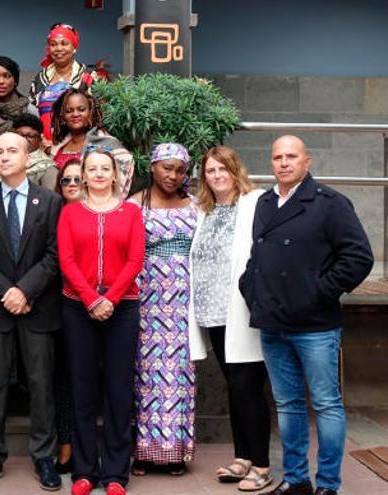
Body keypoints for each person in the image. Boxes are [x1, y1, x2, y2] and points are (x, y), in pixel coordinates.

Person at [239, 136, 373, 495]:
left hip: (315, 325)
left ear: (307, 161)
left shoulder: (329, 203)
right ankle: (296, 479)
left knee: (327, 404)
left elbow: (359, 258)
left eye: (291, 157)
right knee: (287, 404)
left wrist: (318, 291)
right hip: (273, 323)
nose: (283, 163)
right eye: (277, 157)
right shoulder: (266, 202)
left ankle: (328, 483)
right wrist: (250, 288)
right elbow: (258, 256)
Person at [0, 132, 63, 491]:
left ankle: (44, 457)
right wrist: (6, 291)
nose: (5, 157)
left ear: (28, 155)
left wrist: (24, 290)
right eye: (0, 151)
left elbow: (54, 256)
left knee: (41, 385)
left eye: (13, 151)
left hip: (37, 307)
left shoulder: (50, 202)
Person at [58, 148, 145, 495]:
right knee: (82, 387)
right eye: (90, 169)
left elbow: (136, 259)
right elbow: (66, 260)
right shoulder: (69, 213)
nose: (96, 174)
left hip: (122, 307)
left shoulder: (131, 213)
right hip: (77, 307)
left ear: (115, 175)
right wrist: (91, 299)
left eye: (103, 169)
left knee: (119, 388)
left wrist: (109, 298)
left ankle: (114, 474)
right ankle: (84, 471)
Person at [187, 146, 272, 492]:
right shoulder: (204, 210)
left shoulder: (254, 204)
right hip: (213, 313)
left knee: (248, 387)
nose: (217, 175)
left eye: (223, 168)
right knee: (234, 387)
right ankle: (243, 457)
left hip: (244, 312)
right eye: (210, 171)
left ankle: (262, 465)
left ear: (235, 170)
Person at [128, 143, 197, 476]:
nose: (173, 175)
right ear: (153, 166)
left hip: (185, 301)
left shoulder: (198, 205)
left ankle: (175, 453)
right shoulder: (133, 204)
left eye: (179, 170)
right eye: (167, 168)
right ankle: (143, 451)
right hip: (146, 299)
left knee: (180, 374)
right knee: (145, 374)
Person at [52, 157, 83, 474]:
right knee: (62, 381)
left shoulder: (101, 212)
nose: (72, 185)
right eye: (66, 180)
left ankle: (86, 446)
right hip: (58, 308)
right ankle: (64, 445)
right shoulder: (51, 213)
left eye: (78, 179)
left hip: (96, 307)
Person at [29, 23, 100, 142]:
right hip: (44, 145)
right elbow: (32, 115)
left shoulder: (88, 77)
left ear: (74, 47)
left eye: (64, 43)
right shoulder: (39, 79)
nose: (58, 49)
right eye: (53, 44)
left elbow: (98, 115)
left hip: (79, 144)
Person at [50, 88, 103, 169]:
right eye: (69, 111)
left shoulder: (103, 142)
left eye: (81, 109)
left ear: (90, 112)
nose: (75, 114)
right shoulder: (56, 147)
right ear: (62, 116)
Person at [14, 113, 59, 190]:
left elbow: (50, 200)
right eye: (20, 136)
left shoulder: (48, 169)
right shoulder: (6, 162)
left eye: (30, 136)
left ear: (40, 139)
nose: (24, 139)